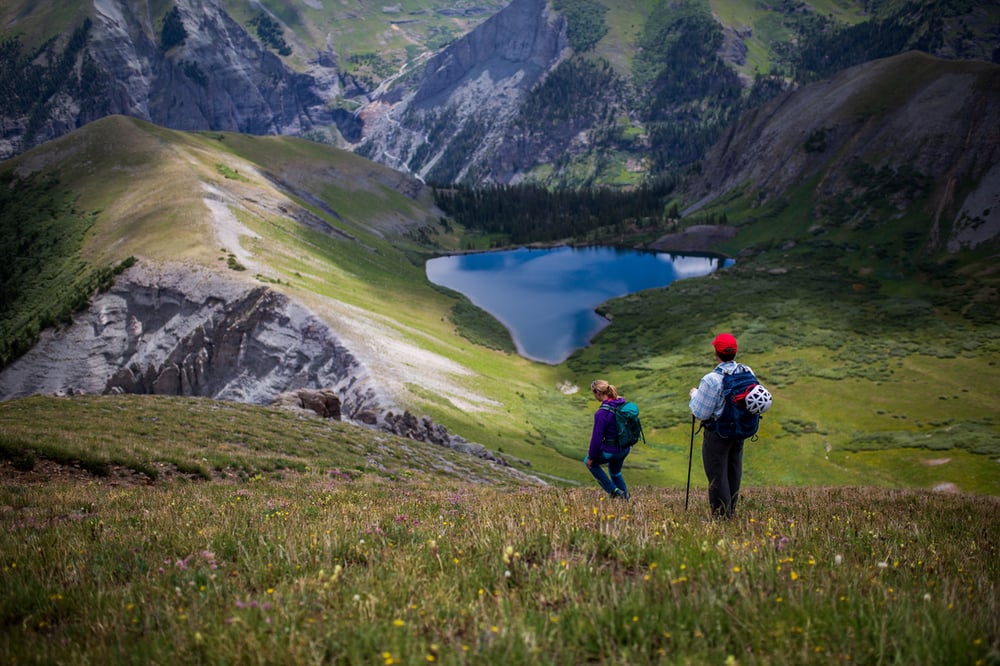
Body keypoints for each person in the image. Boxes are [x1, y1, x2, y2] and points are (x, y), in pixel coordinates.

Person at [689, 333, 753, 519]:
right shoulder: (747, 372)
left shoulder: (711, 379)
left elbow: (701, 413)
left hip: (717, 433)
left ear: (716, 352)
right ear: (735, 352)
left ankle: (721, 518)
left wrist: (694, 394)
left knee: (717, 474)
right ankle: (731, 511)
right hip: (739, 430)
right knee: (734, 470)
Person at [585, 379, 631, 500]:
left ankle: (614, 491)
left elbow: (597, 438)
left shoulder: (601, 413)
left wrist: (591, 456)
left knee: (589, 463)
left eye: (593, 393)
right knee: (615, 472)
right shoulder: (621, 403)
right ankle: (625, 499)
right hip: (625, 448)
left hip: (612, 450)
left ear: (598, 393)